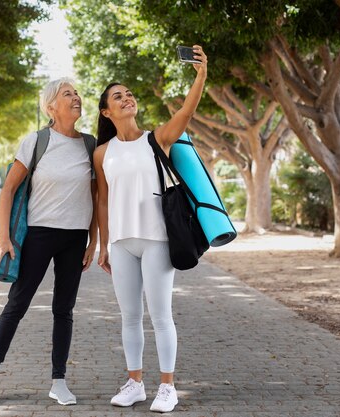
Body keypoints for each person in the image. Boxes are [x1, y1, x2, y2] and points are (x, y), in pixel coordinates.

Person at [93, 45, 207, 413]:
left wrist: (201, 74)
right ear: (106, 111)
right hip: (123, 243)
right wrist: (104, 245)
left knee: (160, 315)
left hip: (158, 239)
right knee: (129, 316)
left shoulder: (156, 138)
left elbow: (186, 111)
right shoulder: (102, 153)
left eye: (129, 94)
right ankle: (135, 383)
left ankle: (168, 387)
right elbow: (103, 200)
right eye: (118, 97)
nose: (127, 99)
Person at [0, 78, 98, 407]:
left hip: (75, 237)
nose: (76, 97)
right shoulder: (36, 142)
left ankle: (59, 381)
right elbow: (9, 190)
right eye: (67, 94)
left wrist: (93, 241)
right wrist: (4, 236)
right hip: (39, 234)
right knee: (17, 305)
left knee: (64, 310)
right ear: (50, 107)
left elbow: (96, 195)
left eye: (76, 93)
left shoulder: (90, 144)